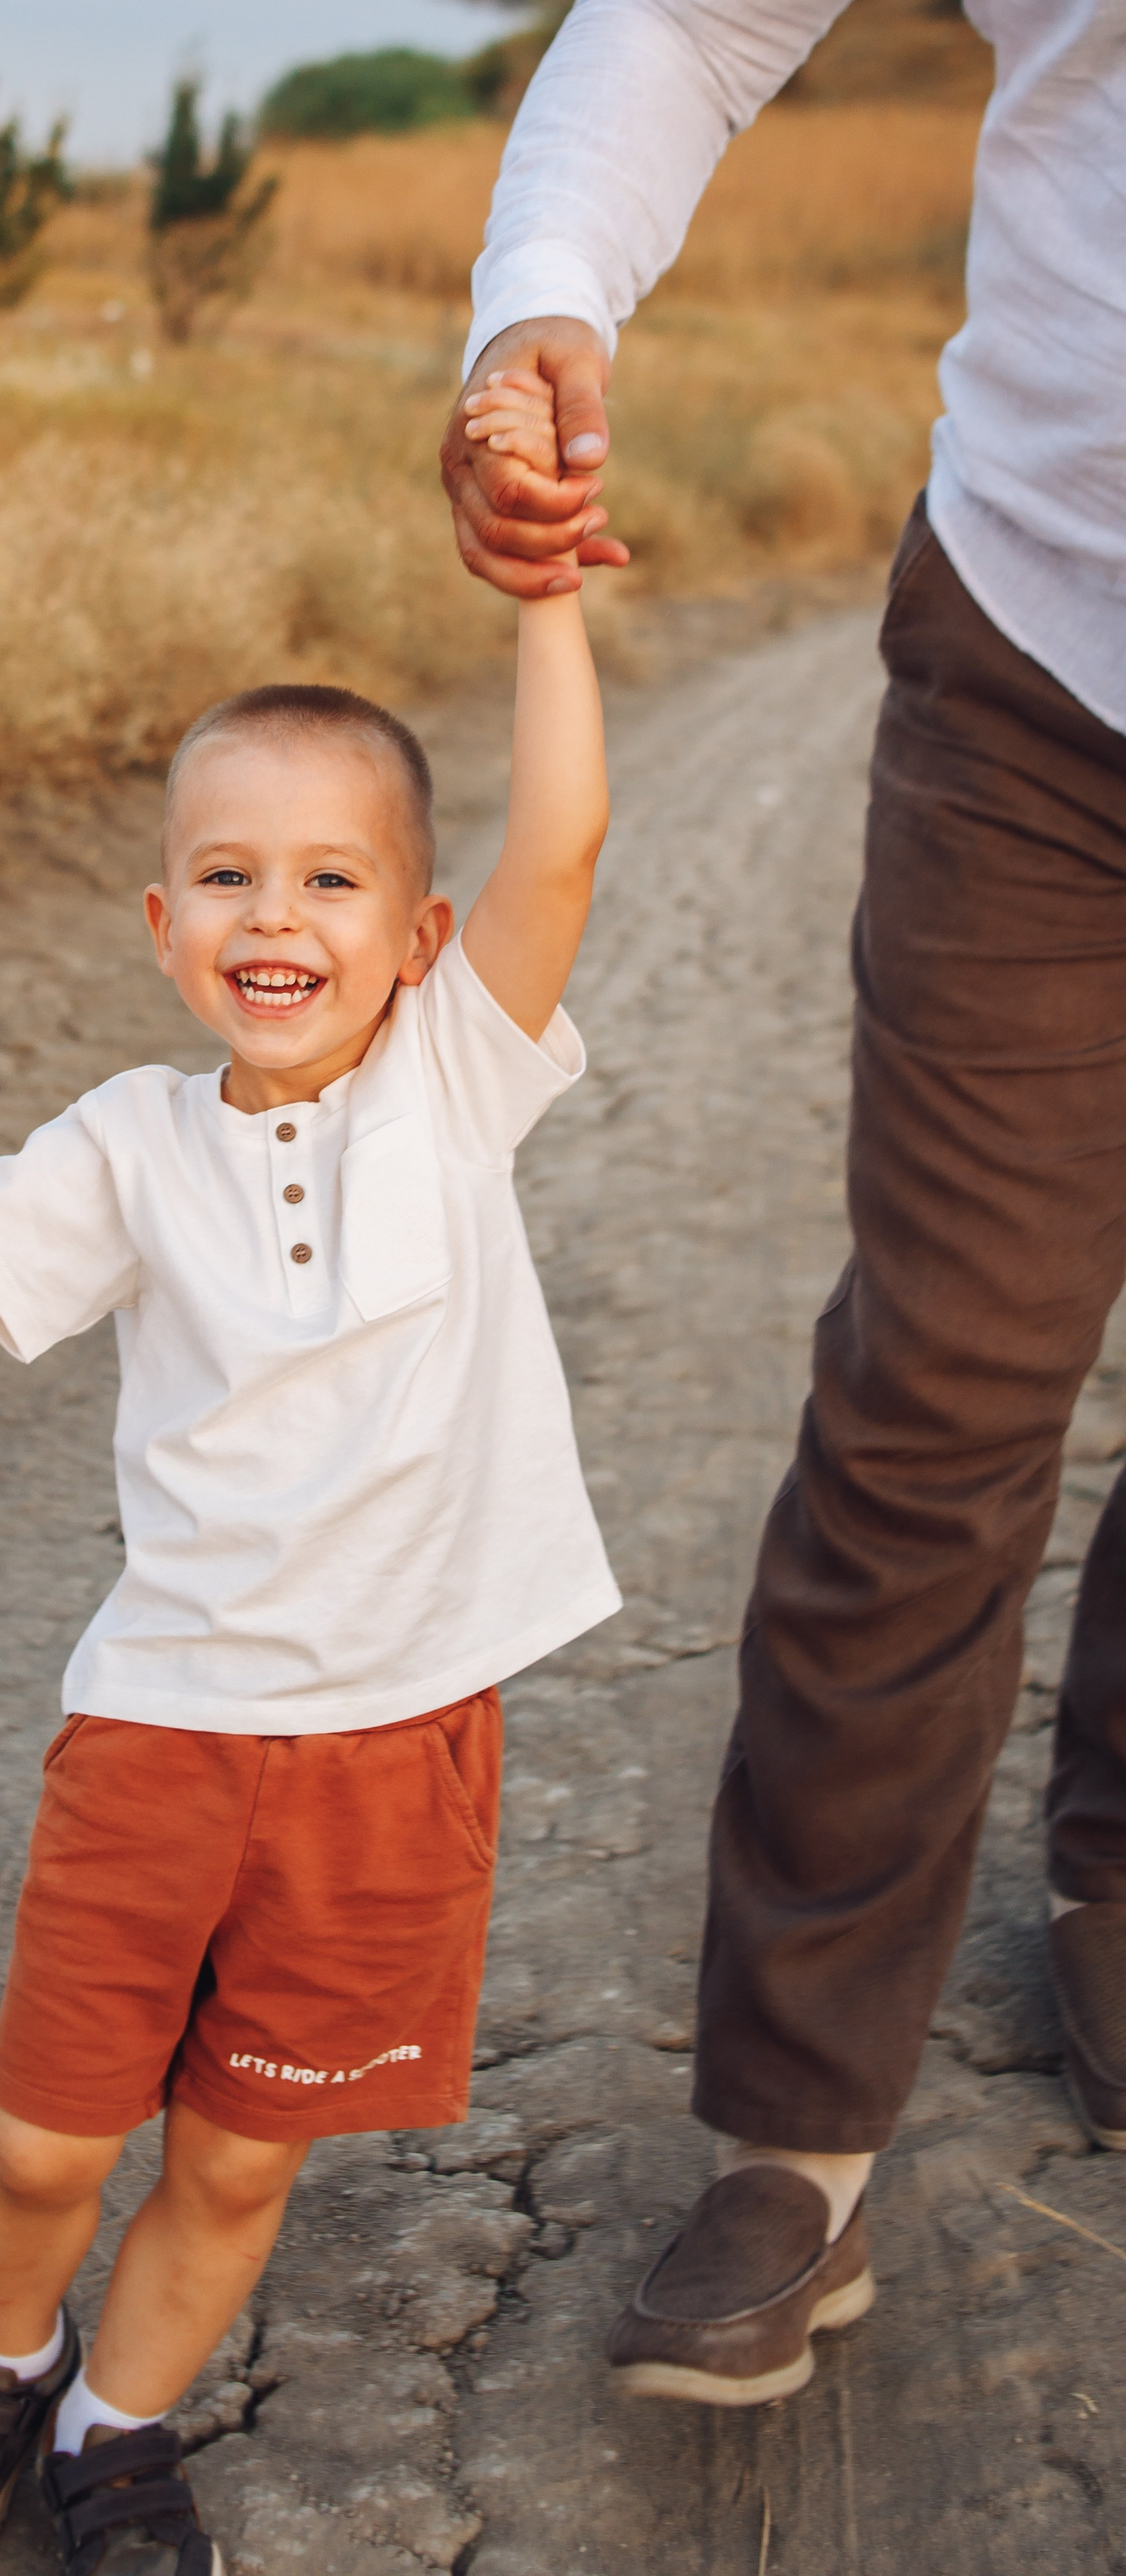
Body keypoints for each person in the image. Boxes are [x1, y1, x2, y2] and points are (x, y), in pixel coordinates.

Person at [0, 369, 618, 2576]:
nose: (276, 913)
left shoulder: (455, 1084)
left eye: (333, 877)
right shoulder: (131, 1147)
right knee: (47, 2148)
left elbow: (561, 840)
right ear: (161, 928)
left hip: (391, 1749)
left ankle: (116, 2433)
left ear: (419, 937)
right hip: (161, 1735)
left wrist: (541, 589)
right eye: (228, 875)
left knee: (239, 2165)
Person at [441, 0, 1126, 2408]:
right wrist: (545, 291)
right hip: (1053, 647)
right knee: (949, 1372)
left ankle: (1115, 1861)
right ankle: (796, 2138)